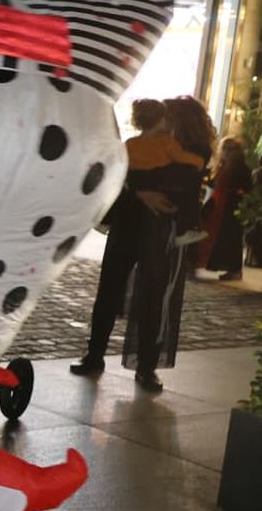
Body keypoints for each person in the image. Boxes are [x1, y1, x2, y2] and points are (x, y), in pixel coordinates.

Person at [73, 97, 212, 392]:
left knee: (154, 297)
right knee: (109, 289)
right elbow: (121, 176)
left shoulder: (194, 150)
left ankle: (146, 366)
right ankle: (94, 354)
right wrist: (140, 192)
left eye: (168, 118)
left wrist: (139, 186)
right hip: (128, 224)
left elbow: (174, 179)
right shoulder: (147, 146)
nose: (164, 124)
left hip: (161, 230)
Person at [198, 136, 252, 280]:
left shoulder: (241, 168)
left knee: (232, 238)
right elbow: (213, 183)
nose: (227, 152)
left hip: (232, 206)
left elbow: (246, 188)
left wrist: (236, 193)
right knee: (219, 236)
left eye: (231, 149)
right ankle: (222, 266)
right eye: (225, 148)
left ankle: (234, 269)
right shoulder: (221, 166)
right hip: (219, 205)